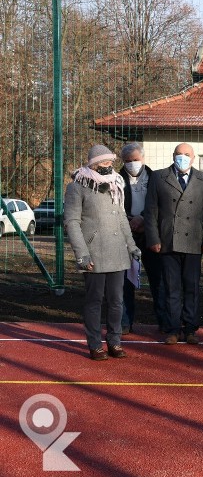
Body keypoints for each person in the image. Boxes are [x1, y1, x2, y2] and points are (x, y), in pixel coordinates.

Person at [64, 144, 140, 360]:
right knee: (95, 300)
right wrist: (82, 253)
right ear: (94, 164)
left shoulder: (117, 183)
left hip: (118, 253)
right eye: (105, 163)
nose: (110, 166)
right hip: (93, 253)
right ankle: (95, 344)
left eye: (110, 162)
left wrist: (132, 245)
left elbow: (122, 217)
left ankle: (115, 342)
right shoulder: (77, 187)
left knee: (117, 301)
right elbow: (72, 221)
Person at [144, 143, 203, 345]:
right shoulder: (159, 177)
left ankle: (191, 328)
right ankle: (172, 329)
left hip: (194, 242)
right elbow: (151, 212)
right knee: (171, 288)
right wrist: (153, 239)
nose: (182, 157)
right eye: (179, 154)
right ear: (173, 156)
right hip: (167, 242)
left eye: (187, 154)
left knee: (192, 287)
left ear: (193, 158)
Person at [118, 142, 166, 334]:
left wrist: (143, 219)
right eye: (128, 161)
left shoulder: (157, 178)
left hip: (151, 234)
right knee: (125, 281)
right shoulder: (116, 179)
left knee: (158, 280)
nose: (132, 164)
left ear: (143, 158)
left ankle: (164, 321)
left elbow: (162, 205)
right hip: (126, 234)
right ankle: (124, 322)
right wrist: (129, 220)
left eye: (136, 160)